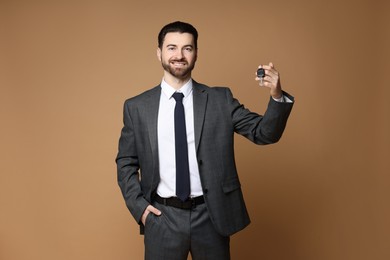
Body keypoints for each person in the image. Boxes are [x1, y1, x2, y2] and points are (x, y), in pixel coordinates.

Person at [116, 21, 294, 260]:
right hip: (162, 218)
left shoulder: (220, 99)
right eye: (171, 48)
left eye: (187, 48)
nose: (179, 55)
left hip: (211, 218)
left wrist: (276, 95)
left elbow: (264, 133)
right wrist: (140, 209)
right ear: (159, 52)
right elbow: (126, 162)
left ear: (196, 53)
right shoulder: (137, 107)